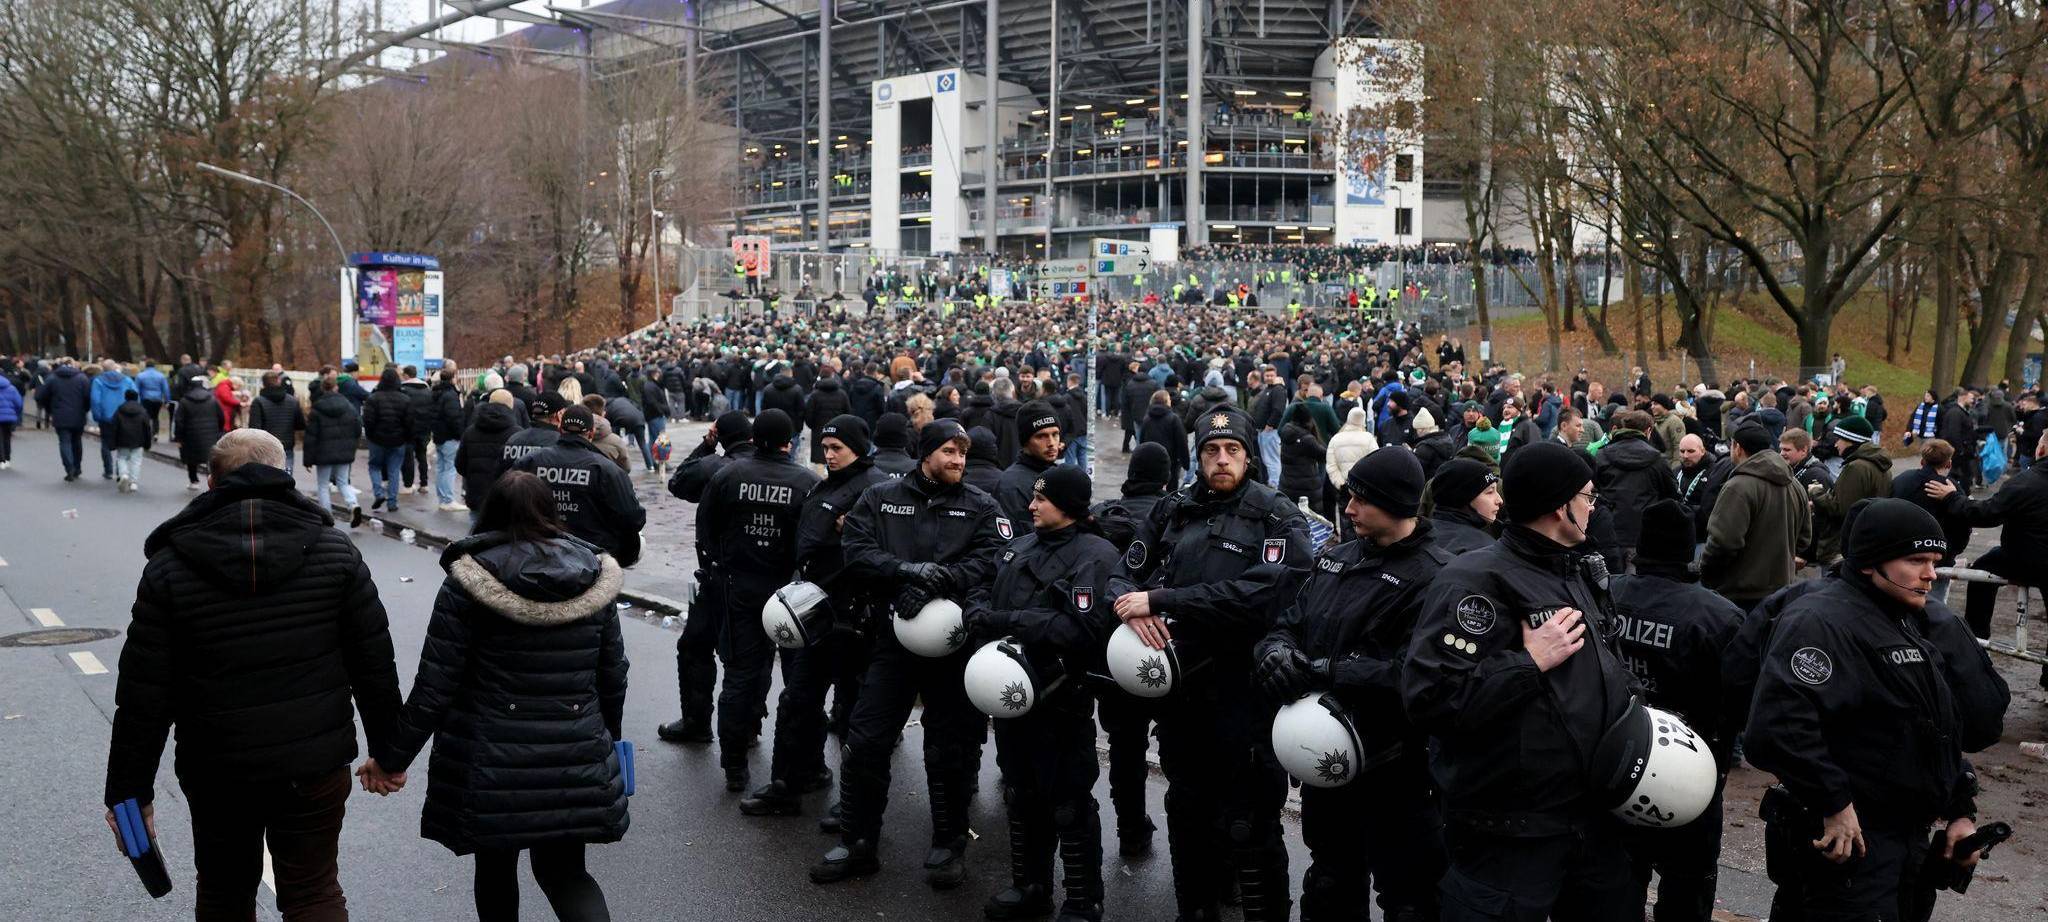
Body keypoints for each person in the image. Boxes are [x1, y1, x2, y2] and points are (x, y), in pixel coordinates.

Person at [102, 428, 402, 921]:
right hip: (314, 762)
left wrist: (130, 796)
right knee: (313, 890)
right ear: (283, 475)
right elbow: (373, 664)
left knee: (223, 891)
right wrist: (389, 754)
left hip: (217, 767)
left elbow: (143, 698)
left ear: (211, 480)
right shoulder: (335, 553)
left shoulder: (171, 569)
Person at [364, 472, 629, 922]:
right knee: (566, 872)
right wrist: (605, 745)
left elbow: (435, 685)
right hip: (575, 749)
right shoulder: (592, 580)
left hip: (490, 759)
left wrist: (392, 760)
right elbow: (613, 674)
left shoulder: (468, 581)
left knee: (495, 870)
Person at [1402, 440, 1639, 919]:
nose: (1593, 509)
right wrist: (1527, 662)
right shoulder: (1474, 580)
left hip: (1590, 823)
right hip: (1509, 836)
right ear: (1560, 506)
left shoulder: (1574, 568)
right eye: (1588, 498)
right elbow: (1432, 698)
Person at [1746, 499, 2004, 922]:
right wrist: (1834, 802)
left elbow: (1929, 728)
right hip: (1848, 842)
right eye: (1916, 560)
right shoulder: (1820, 621)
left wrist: (1960, 810)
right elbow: (1776, 725)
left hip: (1904, 844)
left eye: (1935, 561)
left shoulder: (1904, 619)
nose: (1930, 574)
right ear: (1869, 563)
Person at [1108, 407, 1311, 922]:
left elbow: (1267, 592)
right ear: (1197, 456)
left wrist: (1164, 599)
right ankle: (1195, 907)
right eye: (1211, 451)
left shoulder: (1276, 514)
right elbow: (1122, 575)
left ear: (1248, 455)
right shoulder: (1173, 508)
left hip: (1244, 692)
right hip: (1181, 694)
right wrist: (1133, 612)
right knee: (1188, 810)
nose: (1221, 460)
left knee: (1250, 820)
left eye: (1233, 450)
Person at [1253, 448, 1450, 922]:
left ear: (1399, 506)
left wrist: (1330, 670)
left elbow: (1416, 674)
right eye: (1349, 497)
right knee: (1330, 885)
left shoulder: (1439, 576)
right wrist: (1275, 653)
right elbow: (1288, 623)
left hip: (1398, 773)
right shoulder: (1334, 560)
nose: (1348, 509)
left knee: (1409, 899)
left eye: (1362, 500)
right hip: (1325, 768)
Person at [811, 419, 1003, 888]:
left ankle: (948, 846)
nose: (958, 460)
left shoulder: (981, 506)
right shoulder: (880, 498)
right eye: (949, 452)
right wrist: (905, 573)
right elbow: (856, 551)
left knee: (949, 750)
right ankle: (857, 843)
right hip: (889, 643)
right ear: (925, 454)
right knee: (866, 741)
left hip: (952, 649)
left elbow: (995, 558)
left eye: (962, 452)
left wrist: (943, 581)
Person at [966, 465, 1122, 922]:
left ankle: (1081, 900)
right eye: (1033, 498)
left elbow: (1081, 629)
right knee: (1021, 792)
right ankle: (1029, 885)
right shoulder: (1019, 546)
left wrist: (1004, 621)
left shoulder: (1095, 555)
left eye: (1042, 499)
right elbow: (984, 587)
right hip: (1009, 695)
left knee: (1069, 800)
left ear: (1069, 505)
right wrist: (977, 608)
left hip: (1060, 697)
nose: (1031, 506)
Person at [742, 415, 890, 819]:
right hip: (816, 613)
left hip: (854, 619)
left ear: (858, 447)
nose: (829, 454)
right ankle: (788, 784)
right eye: (825, 448)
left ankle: (853, 802)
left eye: (837, 448)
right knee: (797, 701)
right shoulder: (829, 483)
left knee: (852, 714)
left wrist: (855, 534)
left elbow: (886, 555)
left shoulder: (875, 488)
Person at [1608, 500, 1743, 922]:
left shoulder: (1606, 593)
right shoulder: (1719, 615)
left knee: (1615, 877)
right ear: (1690, 551)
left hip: (1614, 761)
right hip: (1691, 770)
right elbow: (1736, 701)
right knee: (1688, 880)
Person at [696, 410, 820, 792]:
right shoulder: (807, 482)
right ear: (789, 442)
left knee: (739, 677)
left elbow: (705, 530)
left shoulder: (728, 476)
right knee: (801, 682)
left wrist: (718, 567)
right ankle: (806, 764)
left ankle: (734, 764)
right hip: (791, 592)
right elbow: (814, 542)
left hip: (740, 585)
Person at [1085, 442, 1171, 857]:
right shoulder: (1175, 518)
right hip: (1167, 650)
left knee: (1124, 745)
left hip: (1113, 654)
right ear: (1166, 479)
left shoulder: (1104, 516)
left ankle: (1131, 828)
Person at [658, 411, 753, 745]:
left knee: (696, 647)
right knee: (749, 657)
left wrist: (705, 445)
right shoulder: (782, 472)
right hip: (763, 581)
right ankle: (747, 726)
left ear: (720, 435)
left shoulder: (716, 467)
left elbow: (678, 481)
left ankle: (697, 722)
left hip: (718, 576)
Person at [1925, 435, 2048, 643]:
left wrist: (1952, 498)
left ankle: (1975, 638)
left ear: (2042, 450)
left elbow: (1988, 514)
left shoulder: (2026, 482)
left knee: (1980, 574)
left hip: (2028, 558)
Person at [511, 407, 647, 568]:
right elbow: (633, 517)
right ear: (591, 433)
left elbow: (508, 500)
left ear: (561, 428)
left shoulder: (529, 461)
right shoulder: (606, 469)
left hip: (540, 546)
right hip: (591, 553)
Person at [1703, 424, 1811, 612]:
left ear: (1737, 448)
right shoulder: (1795, 484)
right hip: (1780, 592)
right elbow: (1804, 539)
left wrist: (1706, 574)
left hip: (1738, 596)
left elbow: (1723, 542)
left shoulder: (1738, 486)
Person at [1593, 409, 1679, 571]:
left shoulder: (1602, 455)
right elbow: (1672, 494)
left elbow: (1593, 491)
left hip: (1608, 531)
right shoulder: (1657, 460)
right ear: (1648, 431)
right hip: (1644, 533)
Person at [1890, 439, 1970, 605]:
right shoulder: (1951, 488)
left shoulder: (1901, 480)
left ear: (1922, 461)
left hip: (1901, 553)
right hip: (1939, 557)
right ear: (1949, 463)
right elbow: (1963, 524)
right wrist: (1952, 552)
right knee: (1934, 606)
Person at [303, 376, 367, 527]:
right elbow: (357, 427)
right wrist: (352, 444)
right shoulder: (348, 406)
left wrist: (308, 460)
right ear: (336, 388)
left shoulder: (317, 408)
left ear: (323, 389)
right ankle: (353, 504)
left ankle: (327, 516)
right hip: (344, 451)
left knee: (323, 485)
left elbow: (311, 436)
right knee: (343, 482)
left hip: (323, 452)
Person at [998, 400, 1065, 527]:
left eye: (1055, 434)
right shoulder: (1011, 485)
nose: (1051, 443)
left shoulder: (1059, 474)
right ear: (1026, 441)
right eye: (1041, 436)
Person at [1779, 428, 1839, 567]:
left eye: (1787, 450)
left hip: (1808, 557)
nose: (1782, 454)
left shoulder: (1816, 475)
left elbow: (1819, 518)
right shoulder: (1794, 469)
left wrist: (1804, 553)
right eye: (1781, 449)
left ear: (1804, 450)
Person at [362, 368, 415, 511]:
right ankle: (392, 502)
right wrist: (406, 438)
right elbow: (409, 422)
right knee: (394, 470)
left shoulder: (373, 398)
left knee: (374, 466)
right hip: (398, 440)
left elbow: (367, 421)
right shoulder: (405, 399)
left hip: (377, 440)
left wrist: (371, 436)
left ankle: (378, 493)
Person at [1426, 458, 1501, 556]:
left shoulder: (1415, 535)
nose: (1499, 500)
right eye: (1490, 492)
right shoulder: (1483, 550)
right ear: (1463, 497)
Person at [35, 357, 90, 480]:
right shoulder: (82, 378)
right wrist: (84, 409)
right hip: (78, 415)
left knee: (64, 442)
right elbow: (87, 397)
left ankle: (69, 468)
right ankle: (77, 467)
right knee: (77, 441)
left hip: (60, 415)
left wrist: (50, 408)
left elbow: (40, 396)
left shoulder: (52, 378)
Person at [174, 374, 225, 490]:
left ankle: (194, 481)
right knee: (210, 459)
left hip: (190, 436)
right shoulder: (212, 399)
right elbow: (221, 417)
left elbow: (179, 421)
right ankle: (212, 480)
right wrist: (219, 431)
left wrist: (179, 438)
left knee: (191, 459)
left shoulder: (184, 401)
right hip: (210, 435)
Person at [1280, 403, 1330, 519]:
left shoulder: (1287, 433)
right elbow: (1324, 455)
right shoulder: (1307, 440)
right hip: (1306, 487)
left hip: (1287, 484)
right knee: (1310, 519)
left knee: (1291, 517)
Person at [247, 371, 306, 471]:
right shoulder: (292, 401)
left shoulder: (258, 402)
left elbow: (254, 428)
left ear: (263, 384)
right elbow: (300, 424)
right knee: (286, 476)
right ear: (279, 381)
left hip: (265, 445)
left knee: (267, 477)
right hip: (286, 444)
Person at [429, 368, 468, 511]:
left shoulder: (435, 393)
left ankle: (442, 498)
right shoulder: (450, 395)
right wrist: (460, 434)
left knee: (441, 468)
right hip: (449, 436)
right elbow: (454, 418)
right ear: (453, 378)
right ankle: (448, 499)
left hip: (439, 435)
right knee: (450, 468)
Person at [90, 358, 132, 481]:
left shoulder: (98, 381)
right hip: (124, 416)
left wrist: (97, 416)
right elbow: (134, 395)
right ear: (115, 367)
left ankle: (108, 470)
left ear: (103, 369)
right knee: (121, 443)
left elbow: (95, 399)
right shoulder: (126, 380)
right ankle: (121, 471)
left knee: (105, 443)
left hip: (106, 417)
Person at [110, 389, 152, 493]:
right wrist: (147, 443)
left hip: (122, 439)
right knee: (136, 461)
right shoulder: (142, 411)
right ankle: (133, 483)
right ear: (137, 398)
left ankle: (123, 474)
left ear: (125, 397)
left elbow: (114, 426)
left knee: (122, 458)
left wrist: (112, 442)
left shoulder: (120, 410)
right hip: (138, 440)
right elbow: (147, 428)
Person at [134, 360, 170, 438]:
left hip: (145, 398)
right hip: (158, 399)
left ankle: (146, 432)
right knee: (156, 417)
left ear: (146, 366)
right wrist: (167, 400)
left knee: (146, 416)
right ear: (154, 366)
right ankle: (155, 433)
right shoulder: (161, 376)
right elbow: (166, 389)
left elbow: (136, 389)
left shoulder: (140, 376)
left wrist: (136, 401)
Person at [0, 366, 19, 469]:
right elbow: (18, 403)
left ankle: (1, 459)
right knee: (7, 437)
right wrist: (15, 413)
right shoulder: (11, 388)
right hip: (9, 417)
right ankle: (7, 458)